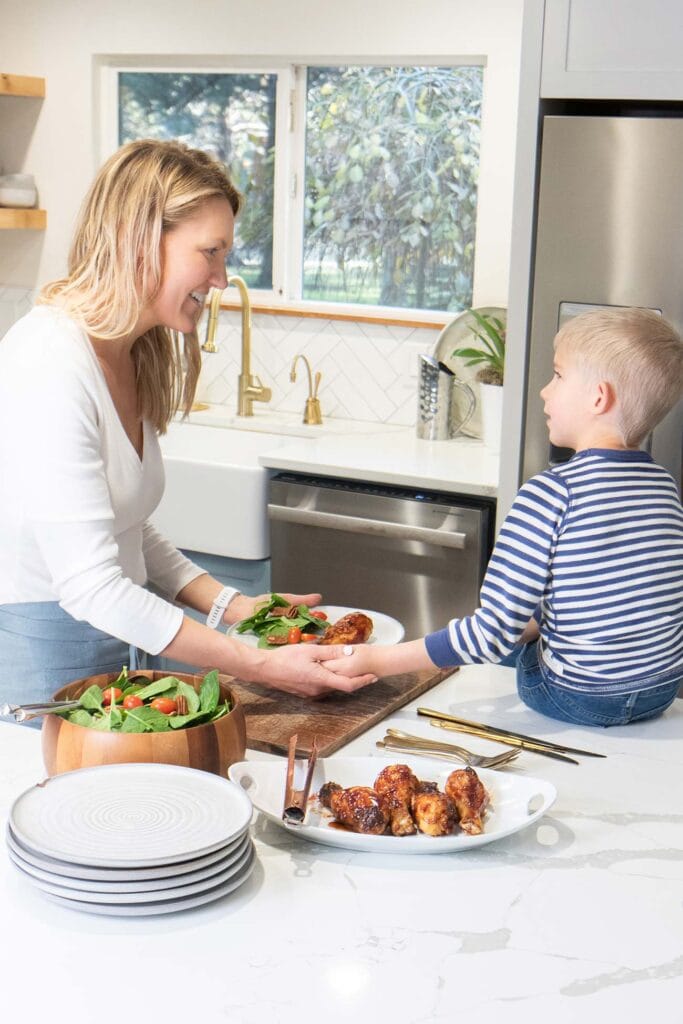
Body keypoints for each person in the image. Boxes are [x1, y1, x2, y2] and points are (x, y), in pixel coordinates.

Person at [0, 139, 376, 715]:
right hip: (45, 664)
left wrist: (236, 607)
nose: (222, 279)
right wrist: (257, 662)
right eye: (211, 252)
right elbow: (91, 584)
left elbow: (131, 531)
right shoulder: (49, 357)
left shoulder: (129, 352)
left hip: (114, 647)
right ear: (140, 239)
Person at [330, 308, 683, 727]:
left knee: (507, 642)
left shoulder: (553, 492)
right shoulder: (664, 486)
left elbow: (490, 635)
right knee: (530, 624)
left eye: (558, 375)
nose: (544, 392)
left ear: (598, 398)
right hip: (661, 690)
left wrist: (380, 659)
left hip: (575, 697)